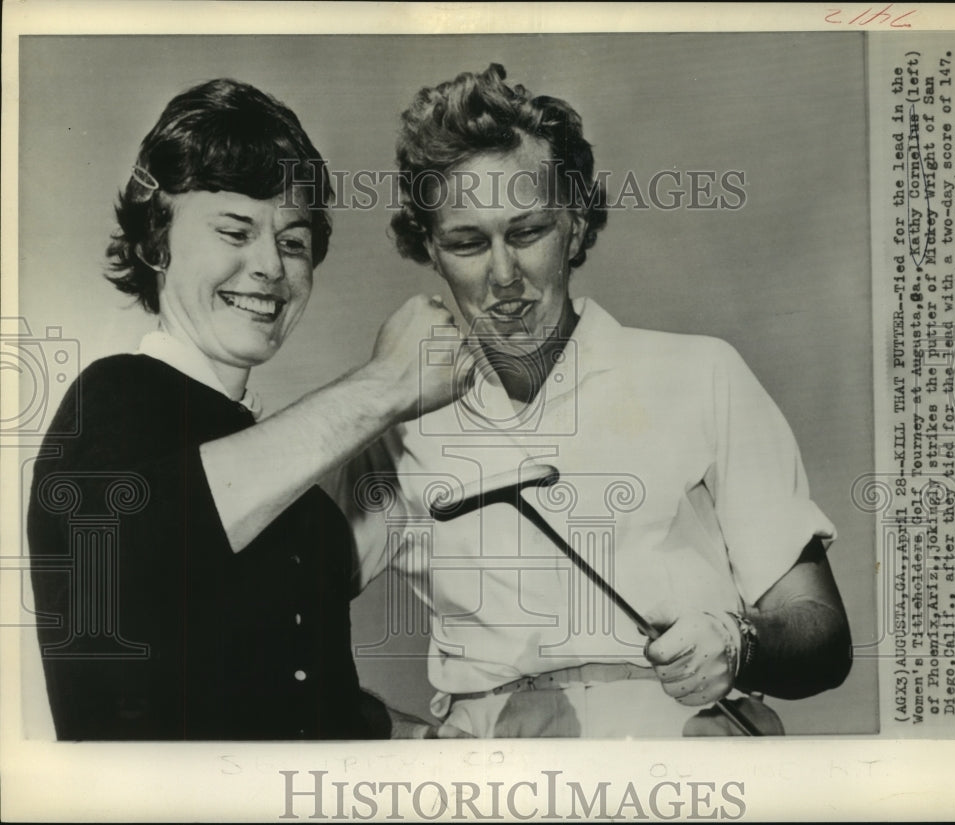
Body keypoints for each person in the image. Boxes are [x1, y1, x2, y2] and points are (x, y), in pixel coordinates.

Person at [335, 64, 853, 738]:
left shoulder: (701, 372)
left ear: (575, 226)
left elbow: (823, 633)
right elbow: (269, 610)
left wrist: (737, 643)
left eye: (527, 232)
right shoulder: (400, 426)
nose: (503, 275)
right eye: (468, 242)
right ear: (430, 250)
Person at [27, 78, 469, 740]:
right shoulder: (112, 398)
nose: (269, 265)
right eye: (235, 230)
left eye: (293, 241)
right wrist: (387, 382)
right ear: (156, 242)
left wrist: (419, 738)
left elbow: (286, 688)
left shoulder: (284, 492)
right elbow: (151, 544)